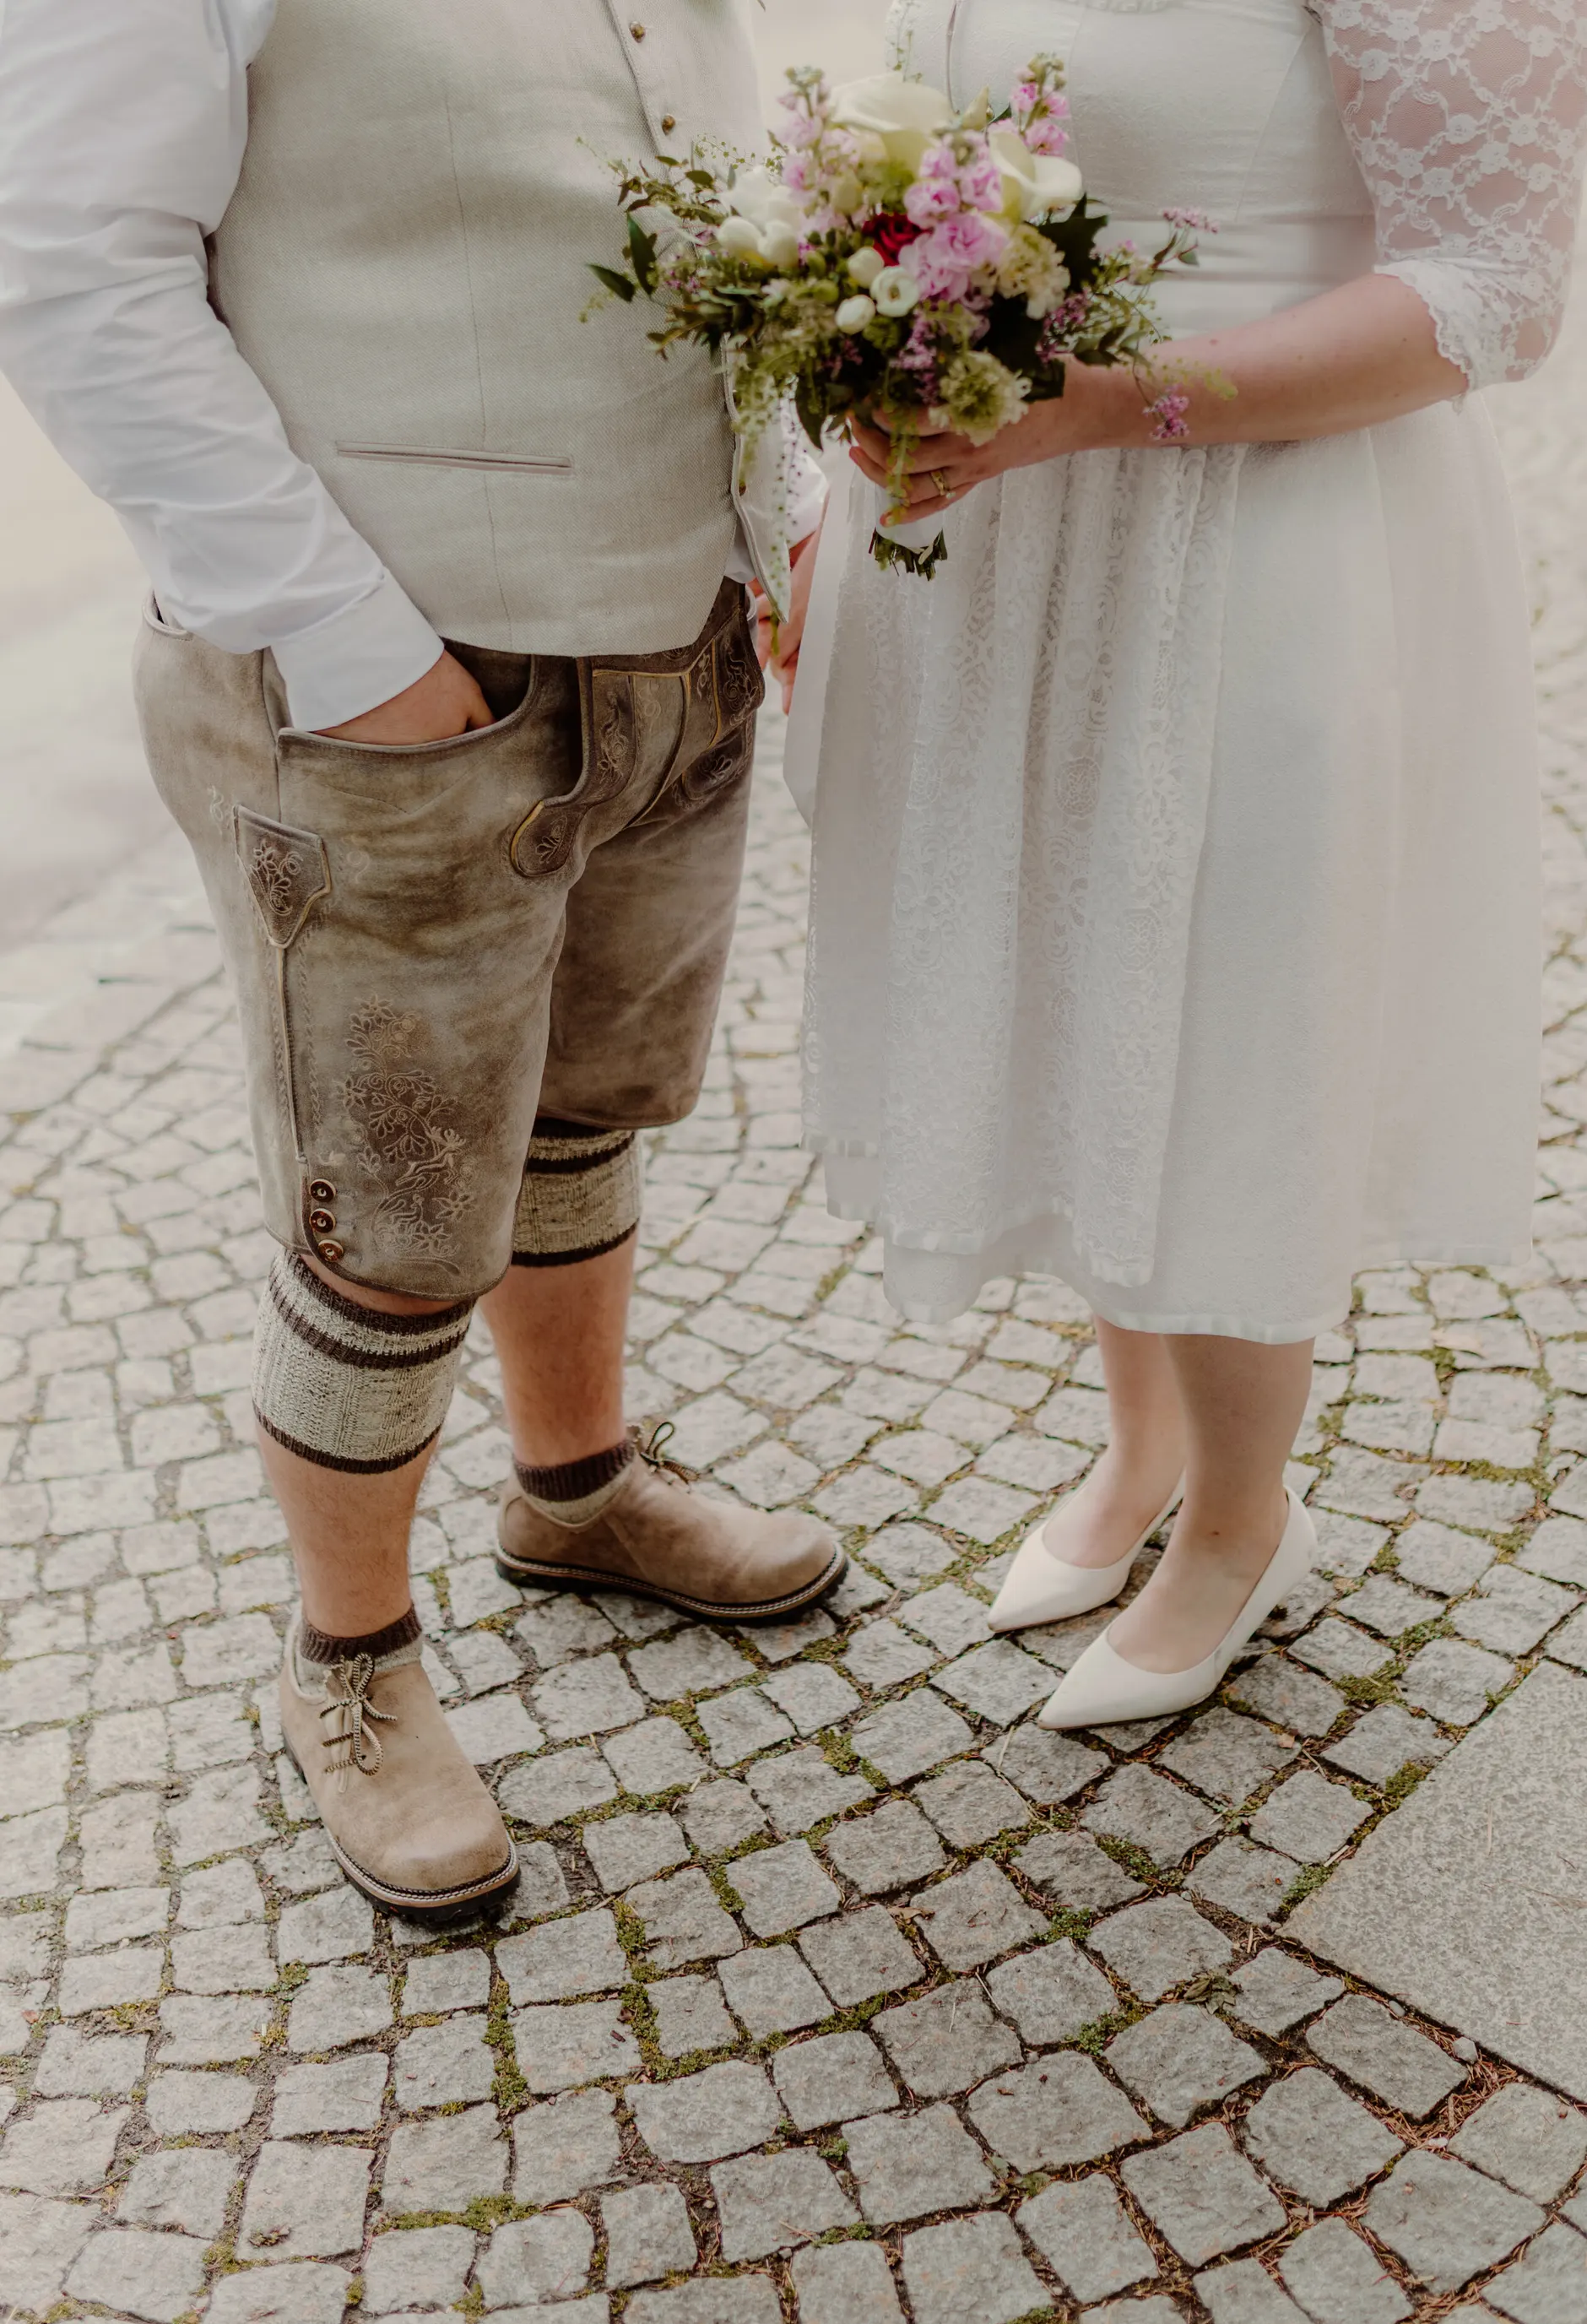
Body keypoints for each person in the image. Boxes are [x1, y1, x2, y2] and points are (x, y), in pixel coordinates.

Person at [0, 0, 843, 1921]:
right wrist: (356, 656)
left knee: (587, 1112)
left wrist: (768, 524)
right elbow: (71, 271)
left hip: (670, 647)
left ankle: (577, 1494)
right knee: (384, 1213)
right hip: (390, 694)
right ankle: (352, 1663)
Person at [773, 0, 1587, 1730]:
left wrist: (1104, 408)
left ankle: (1241, 1520)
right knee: (1081, 990)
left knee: (1214, 1005)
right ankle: (1138, 1450)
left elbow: (1494, 288)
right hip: (1012, 526)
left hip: (1255, 529)